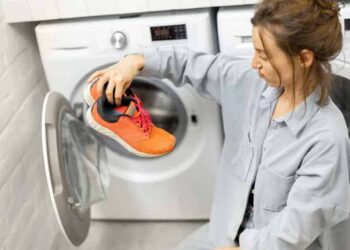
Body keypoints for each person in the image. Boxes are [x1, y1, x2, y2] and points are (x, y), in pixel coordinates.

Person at [86, 0, 350, 249]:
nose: (254, 63)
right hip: (227, 228)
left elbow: (293, 232)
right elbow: (192, 64)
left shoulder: (327, 139)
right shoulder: (251, 83)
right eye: (254, 51)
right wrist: (134, 62)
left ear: (304, 59)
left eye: (265, 56)